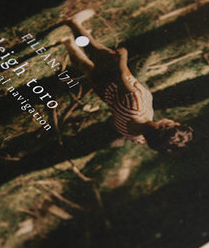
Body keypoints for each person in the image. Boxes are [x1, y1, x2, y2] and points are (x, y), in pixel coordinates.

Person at [61, 11, 194, 154]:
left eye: (175, 124)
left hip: (112, 75)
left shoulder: (136, 105)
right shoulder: (137, 138)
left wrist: (122, 58)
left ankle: (73, 23)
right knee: (86, 67)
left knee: (92, 49)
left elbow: (121, 76)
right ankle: (69, 44)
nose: (175, 121)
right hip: (104, 91)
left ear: (163, 127)